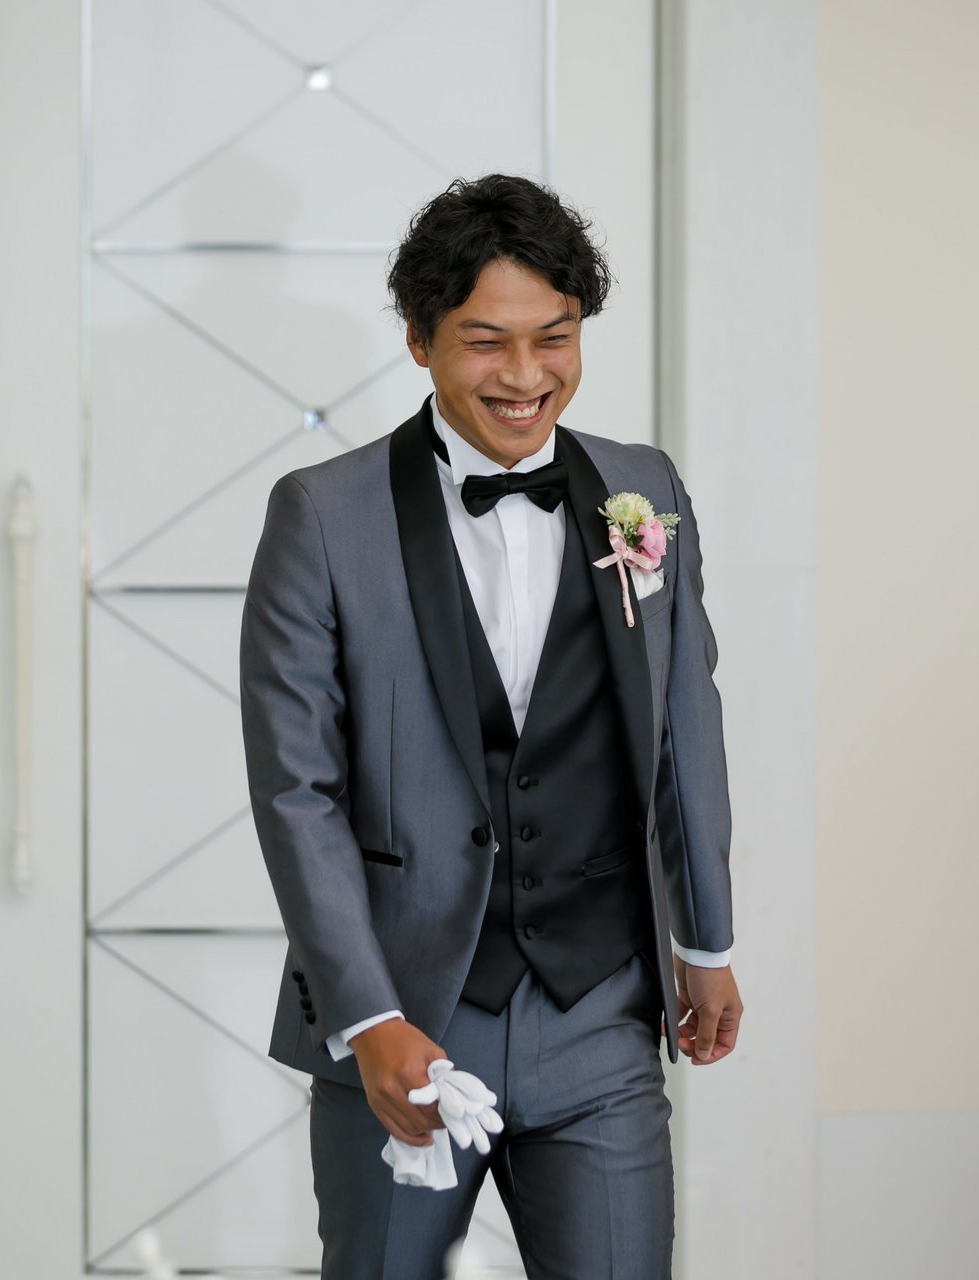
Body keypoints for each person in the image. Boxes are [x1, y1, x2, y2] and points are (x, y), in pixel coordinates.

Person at [239, 172, 742, 1279]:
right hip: (408, 1013)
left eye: (554, 338)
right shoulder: (321, 515)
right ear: (419, 340)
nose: (525, 376)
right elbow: (295, 791)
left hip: (599, 1005)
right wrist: (368, 1018)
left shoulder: (644, 490)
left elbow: (684, 723)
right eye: (485, 342)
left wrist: (704, 940)